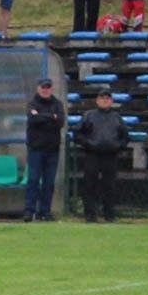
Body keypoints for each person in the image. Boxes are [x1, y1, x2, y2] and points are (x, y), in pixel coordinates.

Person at [75, 89, 128, 223]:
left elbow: (125, 137)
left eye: (107, 98)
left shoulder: (117, 117)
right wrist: (88, 144)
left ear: (112, 101)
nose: (105, 100)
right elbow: (78, 134)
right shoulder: (88, 115)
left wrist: (118, 146)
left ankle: (109, 215)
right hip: (92, 155)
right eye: (102, 98)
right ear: (97, 100)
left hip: (111, 155)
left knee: (110, 186)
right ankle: (90, 215)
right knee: (89, 185)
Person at [23, 78, 65, 222]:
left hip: (52, 150)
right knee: (33, 180)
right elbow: (33, 119)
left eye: (48, 87)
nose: (45, 90)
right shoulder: (32, 103)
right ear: (38, 88)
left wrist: (42, 116)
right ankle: (29, 211)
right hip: (36, 149)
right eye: (43, 87)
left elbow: (60, 122)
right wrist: (50, 117)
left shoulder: (57, 104)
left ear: (51, 89)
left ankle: (45, 212)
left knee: (49, 183)